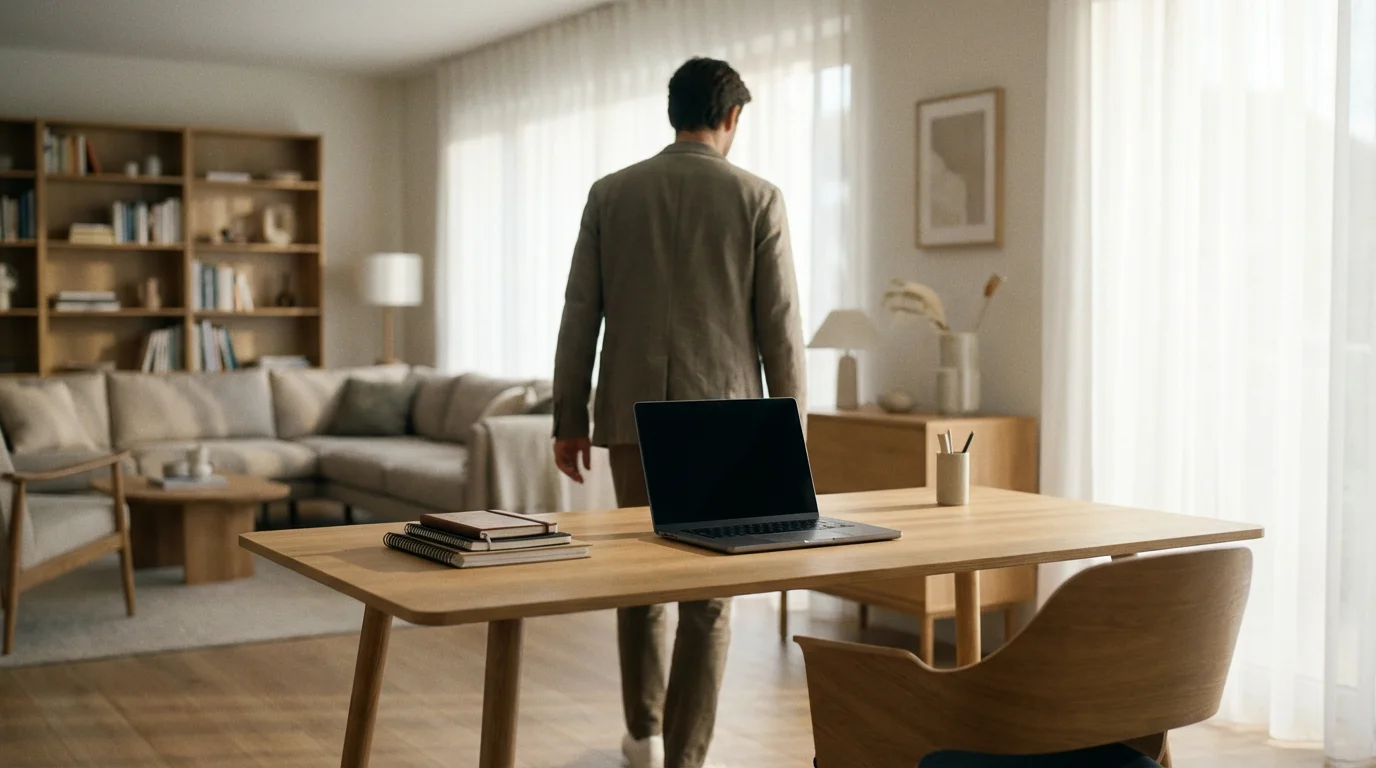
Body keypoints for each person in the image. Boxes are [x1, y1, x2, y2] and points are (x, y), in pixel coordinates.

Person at [551, 57, 806, 768]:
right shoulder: (759, 198)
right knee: (709, 599)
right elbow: (779, 328)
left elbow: (580, 314)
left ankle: (641, 733)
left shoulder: (610, 194)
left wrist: (568, 416)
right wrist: (790, 439)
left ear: (674, 111)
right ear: (732, 118)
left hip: (630, 422)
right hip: (724, 428)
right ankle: (686, 759)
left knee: (642, 582)